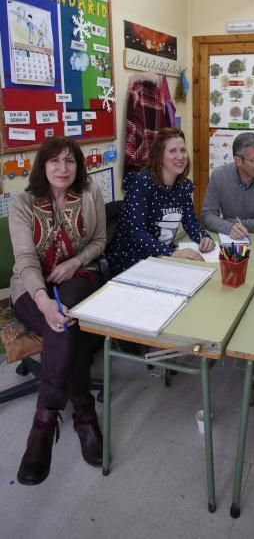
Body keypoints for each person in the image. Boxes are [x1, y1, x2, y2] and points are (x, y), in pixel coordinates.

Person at [9, 137, 107, 485]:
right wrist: (44, 301)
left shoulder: (91, 194)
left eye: (70, 161)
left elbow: (99, 241)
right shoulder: (21, 204)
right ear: (43, 166)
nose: (63, 168)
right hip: (31, 287)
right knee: (65, 326)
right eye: (54, 161)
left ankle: (44, 422)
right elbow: (24, 261)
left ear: (78, 166)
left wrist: (75, 262)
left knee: (63, 321)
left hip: (78, 277)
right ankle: (83, 414)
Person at [106, 128, 214, 275]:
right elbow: (137, 233)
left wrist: (205, 238)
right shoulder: (141, 183)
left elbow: (191, 223)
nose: (180, 156)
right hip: (132, 260)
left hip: (163, 256)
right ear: (159, 156)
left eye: (183, 150)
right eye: (173, 151)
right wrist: (172, 253)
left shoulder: (183, 187)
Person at [201, 132, 254, 239]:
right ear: (238, 160)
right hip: (231, 239)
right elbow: (207, 215)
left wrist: (231, 223)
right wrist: (228, 227)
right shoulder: (219, 175)